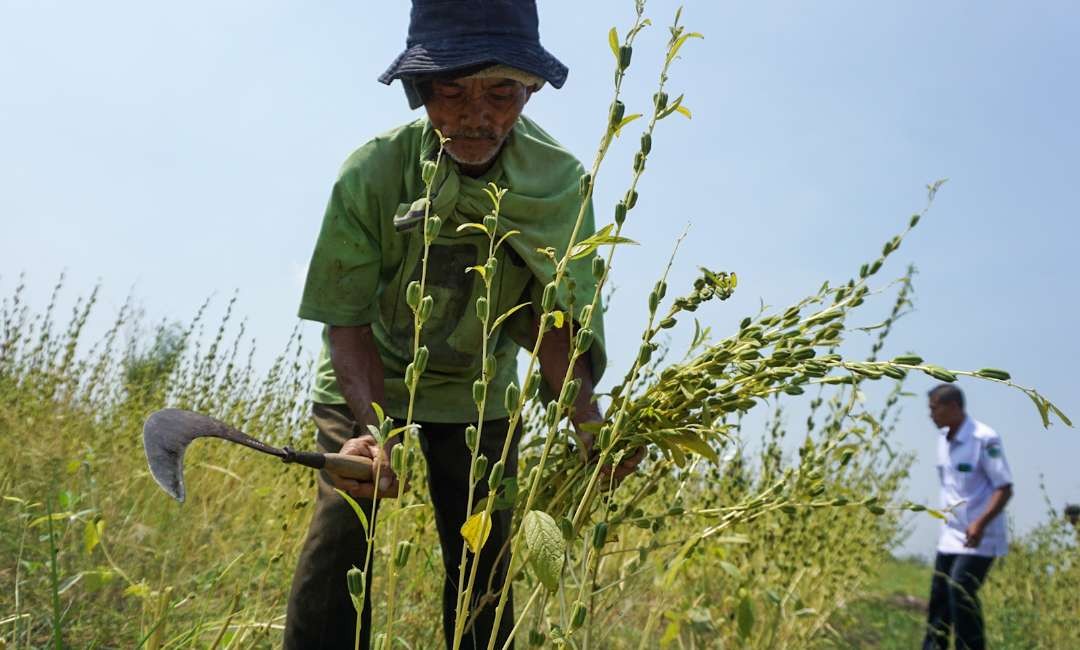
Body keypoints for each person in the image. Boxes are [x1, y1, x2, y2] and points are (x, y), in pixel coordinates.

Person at [284, 1, 641, 647]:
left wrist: (585, 417)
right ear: (421, 91)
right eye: (451, 89)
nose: (477, 114)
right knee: (345, 519)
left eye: (502, 91)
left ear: (529, 91)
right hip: (371, 371)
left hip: (480, 384)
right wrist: (369, 434)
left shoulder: (560, 185)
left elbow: (550, 320)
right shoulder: (372, 173)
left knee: (485, 556)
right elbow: (347, 319)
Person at [923, 384, 1014, 650]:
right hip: (950, 534)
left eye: (934, 409)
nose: (931, 415)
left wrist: (980, 523)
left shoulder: (984, 438)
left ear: (953, 407)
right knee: (939, 598)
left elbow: (1004, 487)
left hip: (979, 537)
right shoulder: (942, 439)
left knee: (960, 590)